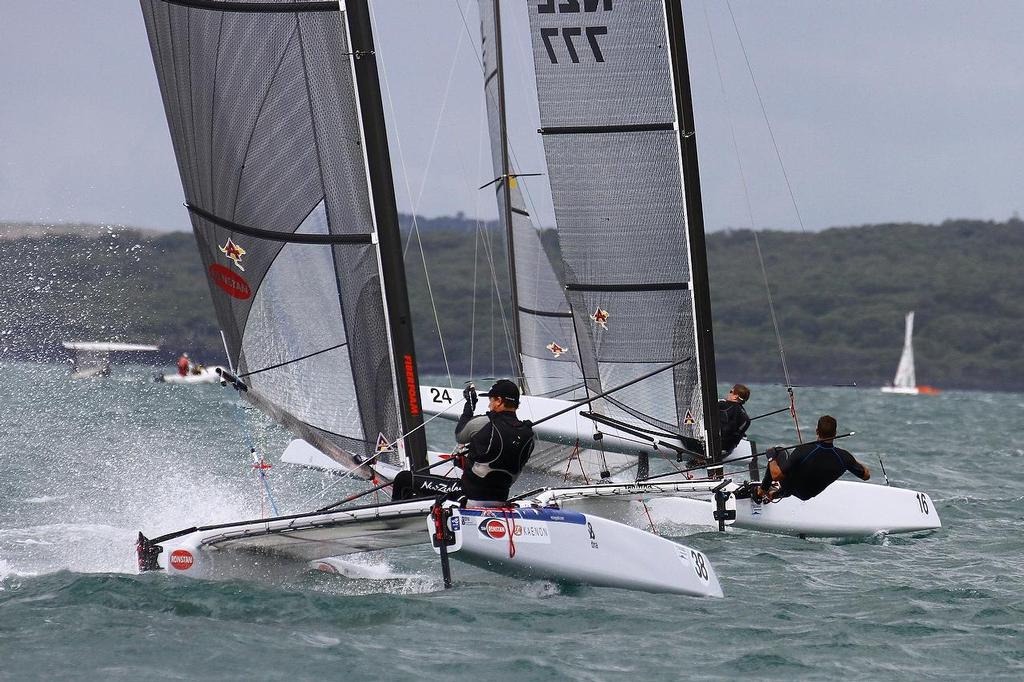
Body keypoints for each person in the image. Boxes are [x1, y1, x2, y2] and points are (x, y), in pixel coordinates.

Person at [454, 379, 535, 506]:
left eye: (491, 401)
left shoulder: (483, 423)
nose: (489, 405)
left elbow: (460, 436)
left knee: (411, 479)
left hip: (469, 496)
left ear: (499, 401)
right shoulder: (528, 435)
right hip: (500, 499)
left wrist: (469, 405)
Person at [755, 415, 870, 503]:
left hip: (792, 487)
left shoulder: (803, 450)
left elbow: (776, 476)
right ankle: (773, 495)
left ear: (817, 431)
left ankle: (761, 493)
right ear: (835, 433)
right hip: (808, 494)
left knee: (779, 451)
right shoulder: (844, 457)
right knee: (798, 474)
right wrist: (852, 460)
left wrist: (771, 457)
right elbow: (866, 476)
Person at [719, 383, 751, 456]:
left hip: (712, 446)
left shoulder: (721, 406)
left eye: (731, 391)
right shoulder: (746, 418)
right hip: (727, 451)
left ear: (735, 396)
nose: (728, 393)